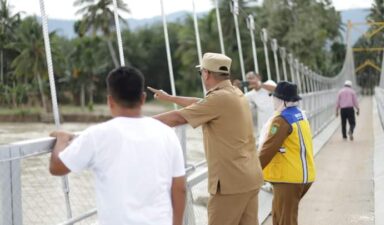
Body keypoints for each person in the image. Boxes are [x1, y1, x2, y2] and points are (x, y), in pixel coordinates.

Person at [49, 66, 186, 225]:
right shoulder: (166, 133)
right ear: (142, 98)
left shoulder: (97, 135)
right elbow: (180, 188)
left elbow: (57, 167)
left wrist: (62, 139)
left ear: (110, 101)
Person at [148, 52, 263, 225]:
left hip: (230, 184)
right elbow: (201, 102)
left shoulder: (219, 99)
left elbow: (177, 118)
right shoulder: (235, 92)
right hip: (250, 178)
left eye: (201, 72)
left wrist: (137, 124)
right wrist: (170, 98)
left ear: (207, 73)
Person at [258, 81, 316, 225]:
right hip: (303, 175)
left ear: (282, 100)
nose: (273, 100)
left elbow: (267, 149)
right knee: (279, 217)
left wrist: (251, 171)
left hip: (288, 179)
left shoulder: (281, 120)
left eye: (275, 97)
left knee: (285, 221)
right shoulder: (300, 115)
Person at [244, 71, 276, 139]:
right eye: (247, 79)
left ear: (258, 77)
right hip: (263, 128)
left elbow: (277, 89)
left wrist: (260, 84)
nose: (249, 81)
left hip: (276, 122)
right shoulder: (249, 95)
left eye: (251, 78)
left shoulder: (269, 83)